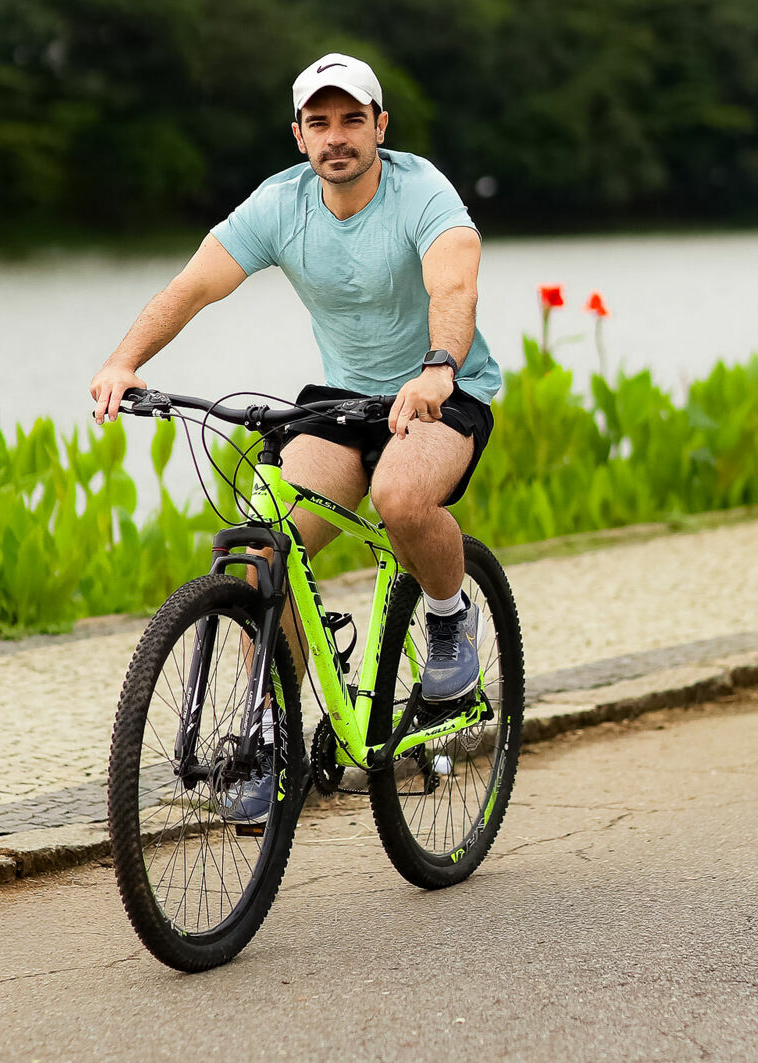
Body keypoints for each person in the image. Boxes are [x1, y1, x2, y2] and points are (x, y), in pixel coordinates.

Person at [90, 52, 501, 822]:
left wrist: (440, 364)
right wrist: (125, 361)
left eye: (352, 119)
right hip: (344, 402)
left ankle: (449, 618)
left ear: (380, 126)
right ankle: (268, 729)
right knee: (266, 550)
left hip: (444, 391)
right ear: (299, 135)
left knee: (401, 497)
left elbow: (455, 282)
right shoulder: (281, 205)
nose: (336, 136)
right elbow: (193, 286)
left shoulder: (423, 192)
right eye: (320, 122)